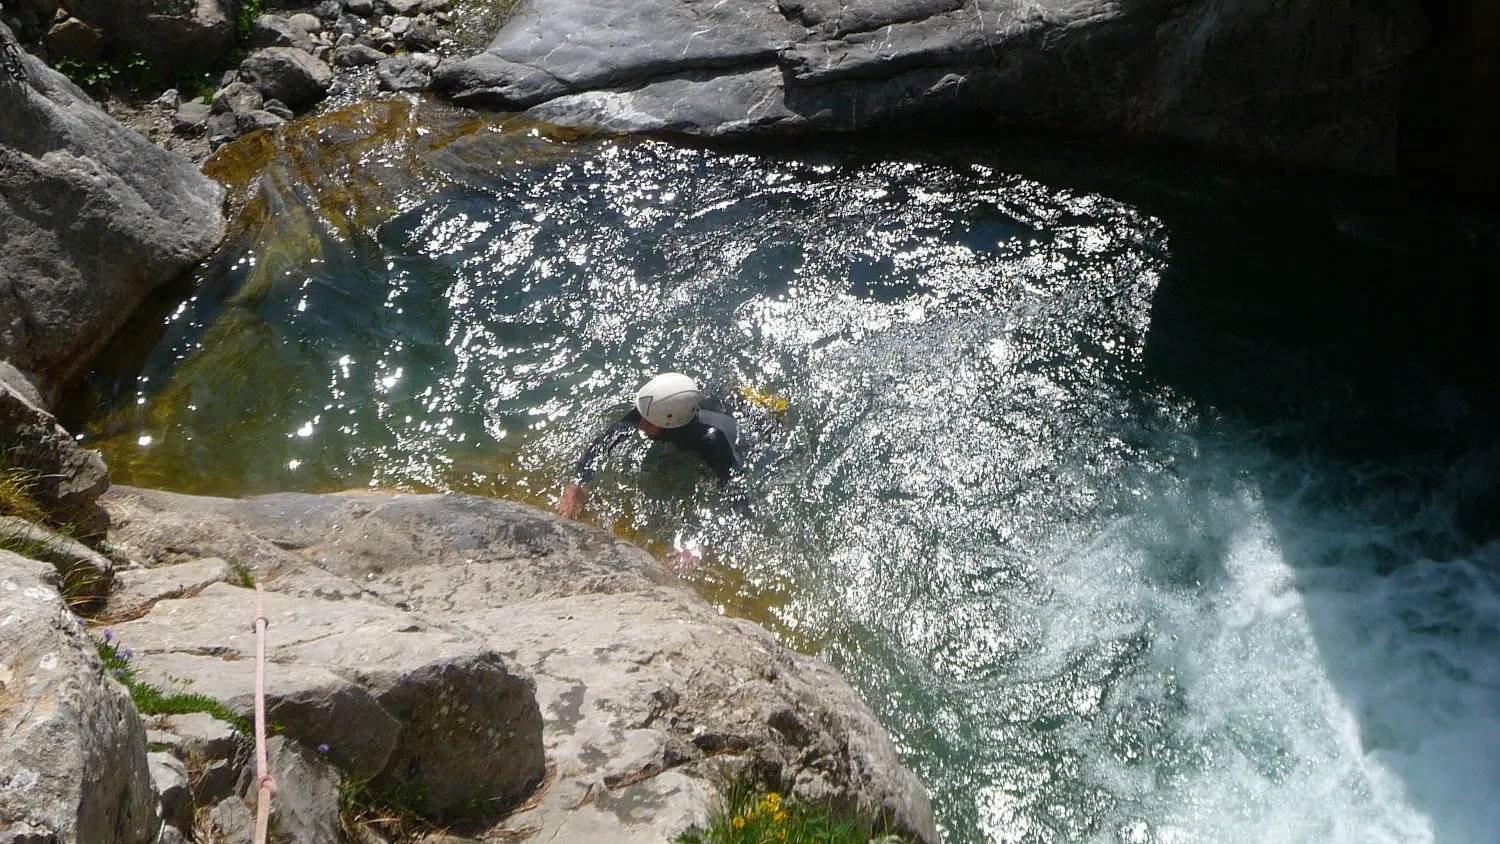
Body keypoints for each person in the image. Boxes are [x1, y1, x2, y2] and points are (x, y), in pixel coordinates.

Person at [557, 372, 741, 519]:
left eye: (648, 422)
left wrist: (700, 545)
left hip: (732, 416)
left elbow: (735, 491)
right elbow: (607, 440)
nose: (640, 424)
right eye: (641, 418)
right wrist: (579, 483)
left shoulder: (710, 441)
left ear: (670, 424)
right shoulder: (656, 410)